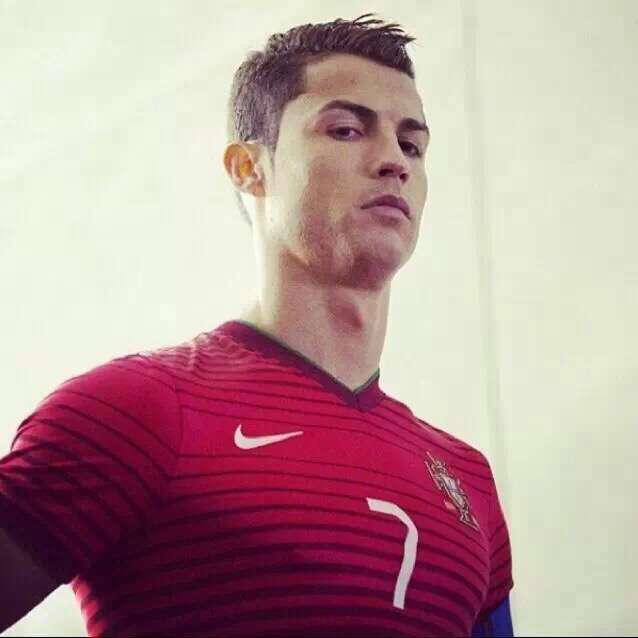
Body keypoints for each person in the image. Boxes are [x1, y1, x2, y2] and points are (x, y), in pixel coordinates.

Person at [0, 13, 514, 637]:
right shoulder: (136, 410)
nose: (393, 161)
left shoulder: (467, 479)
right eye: (347, 129)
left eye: (412, 145)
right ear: (249, 167)